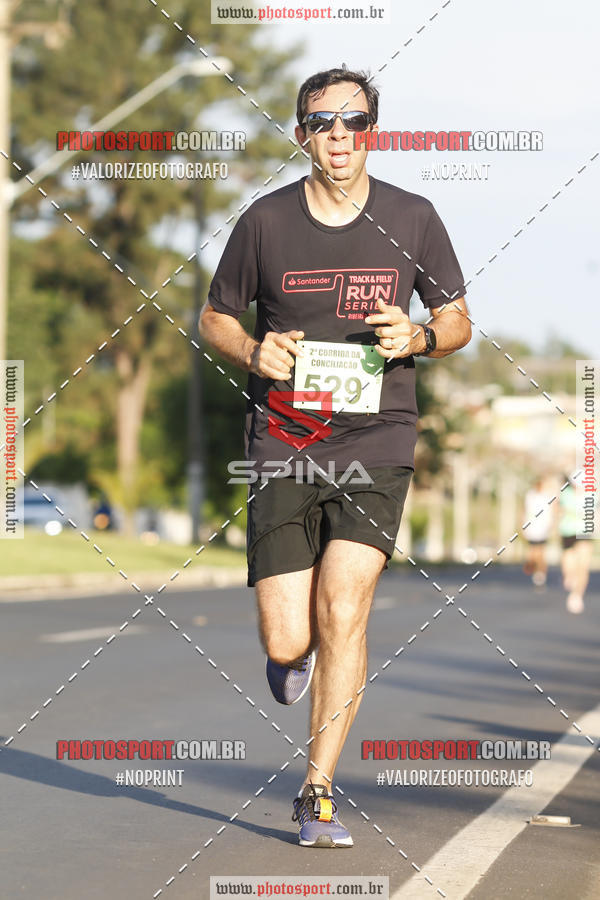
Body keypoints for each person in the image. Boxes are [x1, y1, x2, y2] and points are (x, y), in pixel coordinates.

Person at [200, 66, 471, 847]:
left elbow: (456, 320)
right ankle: (293, 663)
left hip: (377, 438)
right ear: (301, 134)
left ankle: (317, 792)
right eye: (324, 122)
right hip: (283, 441)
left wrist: (418, 336)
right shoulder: (265, 223)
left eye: (355, 121)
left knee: (344, 610)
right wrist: (255, 349)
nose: (340, 136)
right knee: (289, 639)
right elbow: (214, 318)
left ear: (372, 131)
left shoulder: (413, 219)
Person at [559, 477, 594, 614]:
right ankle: (569, 576)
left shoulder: (591, 494)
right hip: (568, 531)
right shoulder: (566, 494)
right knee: (569, 559)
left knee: (583, 565)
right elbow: (561, 510)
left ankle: (577, 595)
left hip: (584, 532)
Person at [522, 478, 552, 587]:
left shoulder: (547, 496)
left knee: (541, 552)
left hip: (543, 528)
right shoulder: (530, 495)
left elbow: (551, 511)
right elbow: (525, 510)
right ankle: (534, 570)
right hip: (532, 528)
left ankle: (541, 573)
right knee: (533, 552)